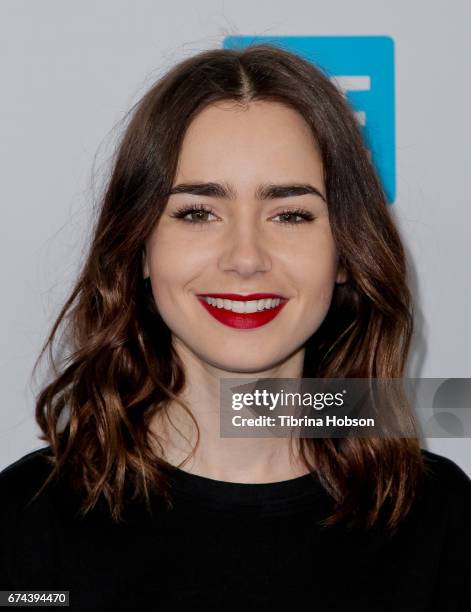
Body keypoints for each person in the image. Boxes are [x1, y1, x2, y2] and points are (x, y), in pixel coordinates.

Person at [0, 43, 470, 612]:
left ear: (347, 252)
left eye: (290, 214)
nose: (246, 258)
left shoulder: (436, 516)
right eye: (198, 213)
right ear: (140, 249)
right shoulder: (29, 516)